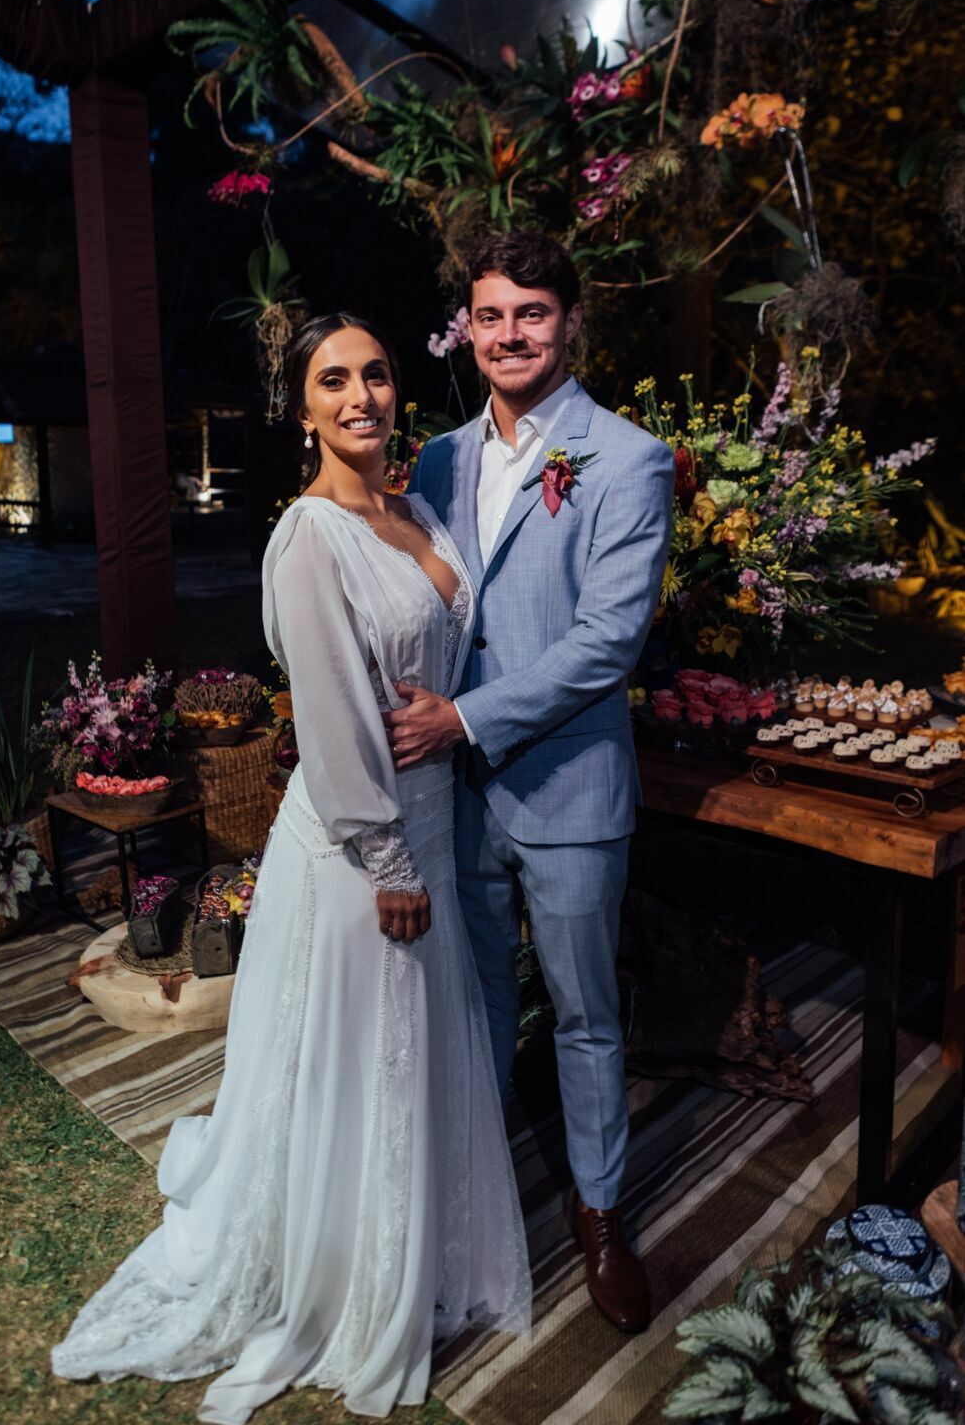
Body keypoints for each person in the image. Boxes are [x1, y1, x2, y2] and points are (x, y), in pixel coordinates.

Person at [51, 313, 530, 1423]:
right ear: (301, 407)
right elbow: (328, 715)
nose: (361, 396)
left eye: (376, 374)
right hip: (366, 844)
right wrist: (389, 860)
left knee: (413, 1050)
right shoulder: (309, 537)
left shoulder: (412, 510)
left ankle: (420, 1238)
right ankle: (341, 1262)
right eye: (333, 380)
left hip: (430, 813)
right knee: (361, 1054)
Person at [392, 232, 675, 1333]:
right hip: (454, 794)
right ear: (467, 328)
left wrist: (463, 716)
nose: (509, 335)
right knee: (469, 1002)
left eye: (531, 314)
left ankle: (600, 1212)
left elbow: (608, 642)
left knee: (583, 1015)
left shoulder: (627, 458)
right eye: (490, 315)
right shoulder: (436, 461)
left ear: (568, 322)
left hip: (569, 790)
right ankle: (477, 1190)